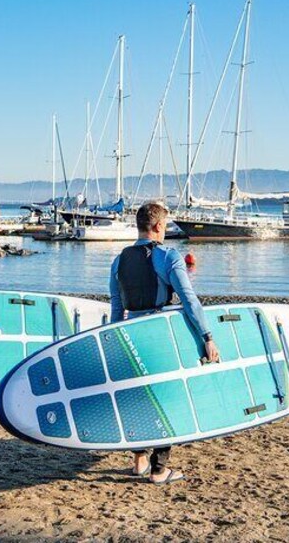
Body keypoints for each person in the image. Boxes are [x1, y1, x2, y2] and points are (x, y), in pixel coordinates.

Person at [109, 201, 220, 485]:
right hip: (158, 333)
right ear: (159, 226)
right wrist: (207, 337)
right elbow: (189, 300)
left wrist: (114, 341)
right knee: (167, 398)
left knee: (136, 397)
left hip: (130, 332)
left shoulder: (119, 260)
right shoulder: (168, 256)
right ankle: (159, 469)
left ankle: (139, 461)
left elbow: (116, 307)